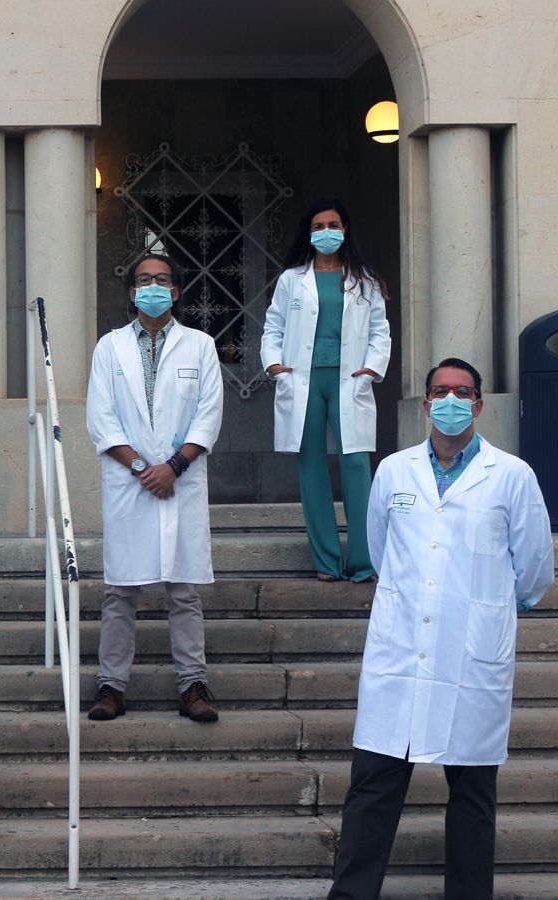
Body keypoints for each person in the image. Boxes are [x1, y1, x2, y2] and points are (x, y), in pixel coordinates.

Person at [329, 357, 555, 900]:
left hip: (471, 655)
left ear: (478, 404)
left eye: (462, 392)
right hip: (400, 653)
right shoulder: (394, 471)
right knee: (373, 788)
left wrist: (493, 608)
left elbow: (535, 566)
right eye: (440, 391)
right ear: (426, 401)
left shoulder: (512, 476)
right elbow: (382, 550)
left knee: (473, 793)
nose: (450, 401)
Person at [84, 253, 225, 724]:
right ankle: (110, 686)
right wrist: (145, 467)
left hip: (180, 480)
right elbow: (101, 418)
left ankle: (193, 685)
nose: (153, 286)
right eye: (143, 279)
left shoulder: (200, 345)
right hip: (132, 481)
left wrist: (175, 466)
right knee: (121, 589)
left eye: (162, 280)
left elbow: (208, 414)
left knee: (183, 589)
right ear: (131, 292)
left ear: (177, 290)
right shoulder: (109, 347)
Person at [260, 198, 391, 583]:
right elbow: (274, 327)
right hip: (304, 379)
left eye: (333, 224)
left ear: (345, 229)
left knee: (356, 466)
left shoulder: (365, 281)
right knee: (311, 466)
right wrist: (273, 364)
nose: (326, 232)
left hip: (349, 380)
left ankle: (364, 561)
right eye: (318, 226)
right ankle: (327, 561)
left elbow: (380, 331)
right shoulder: (291, 279)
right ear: (309, 233)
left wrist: (372, 367)